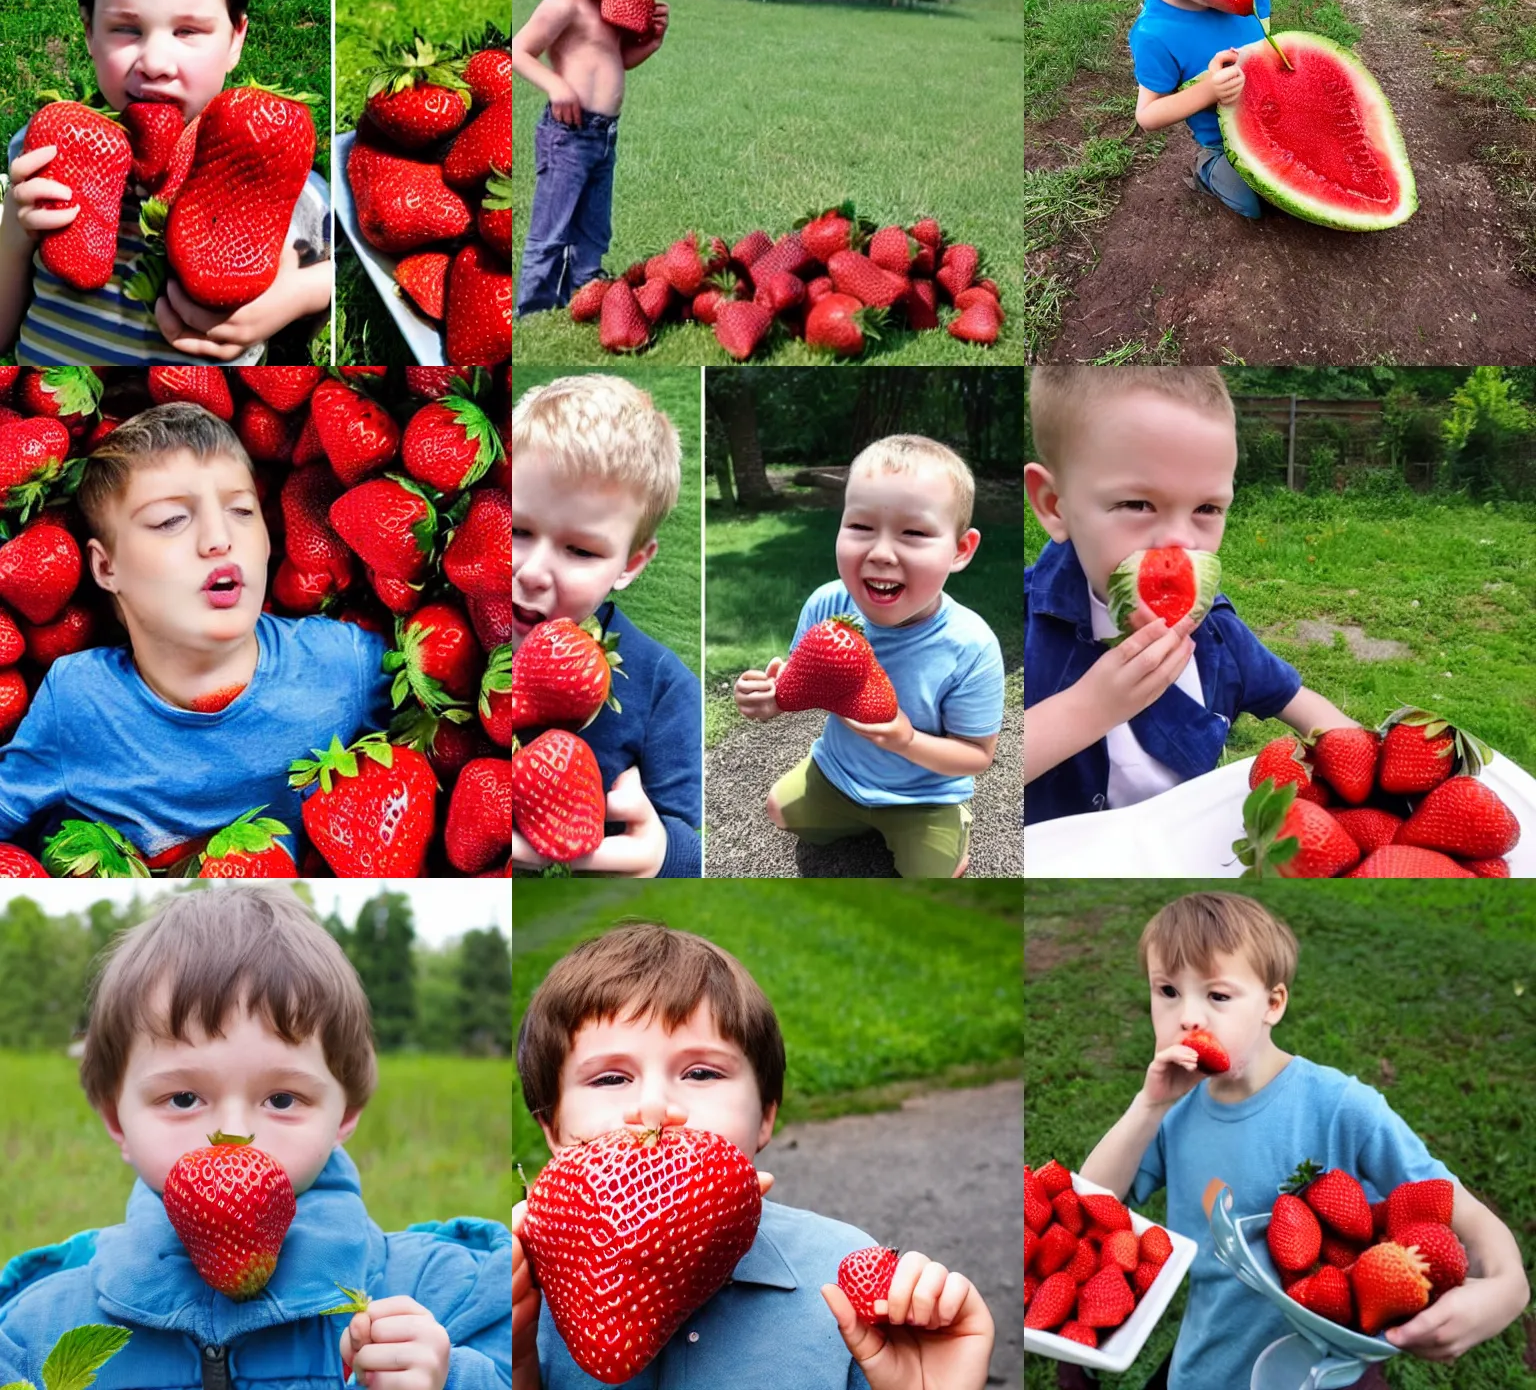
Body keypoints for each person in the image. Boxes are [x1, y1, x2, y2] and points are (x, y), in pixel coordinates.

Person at [0, 883, 510, 1388]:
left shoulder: (436, 1295)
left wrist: (451, 1379)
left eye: (282, 1100)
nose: (234, 1136)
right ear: (118, 1121)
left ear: (345, 1112)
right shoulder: (39, 1328)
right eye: (182, 1099)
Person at [1058, 890, 1530, 1389]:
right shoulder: (1172, 1115)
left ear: (1273, 1004)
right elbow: (1089, 1207)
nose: (1188, 1017)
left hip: (1329, 1376)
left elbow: (1463, 1213)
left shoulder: (1341, 1107)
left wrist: (1507, 1290)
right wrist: (1149, 1105)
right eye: (1168, 991)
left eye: (1218, 996)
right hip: (1204, 1371)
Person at [513, 920, 996, 1390]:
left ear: (765, 1116)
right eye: (611, 1078)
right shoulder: (524, 1292)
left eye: (701, 1073)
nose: (655, 1107)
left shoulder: (848, 1281)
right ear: (552, 1128)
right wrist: (516, 1363)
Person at [0, 403, 388, 865]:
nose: (218, 537)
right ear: (107, 567)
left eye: (241, 511)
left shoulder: (344, 662)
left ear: (268, 537)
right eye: (170, 520)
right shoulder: (78, 699)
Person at [1024, 361, 1356, 824]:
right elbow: (973, 768)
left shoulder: (1217, 634)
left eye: (1207, 508)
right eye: (1138, 504)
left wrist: (1372, 767)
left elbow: (1305, 706)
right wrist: (1088, 709)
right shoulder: (1012, 631)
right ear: (1053, 505)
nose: (1180, 540)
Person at [0, 0, 332, 365]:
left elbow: (337, 277)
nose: (155, 62)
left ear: (235, 39)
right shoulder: (44, 154)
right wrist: (14, 237)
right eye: (125, 29)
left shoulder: (271, 171)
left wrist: (300, 294)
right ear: (88, 33)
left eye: (188, 31)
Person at [734, 435, 1005, 879]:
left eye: (914, 533)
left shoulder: (971, 646)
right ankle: (849, 806)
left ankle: (950, 828)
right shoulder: (826, 604)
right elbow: (797, 686)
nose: (880, 553)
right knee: (778, 810)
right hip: (839, 772)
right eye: (860, 527)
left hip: (925, 795)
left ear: (960, 550)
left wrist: (905, 740)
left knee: (932, 877)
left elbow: (977, 755)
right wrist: (769, 698)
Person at [510, 373, 700, 877]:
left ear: (630, 564)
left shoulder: (664, 686)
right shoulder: (461, 626)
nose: (530, 571)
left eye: (580, 550)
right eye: (517, 530)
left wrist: (658, 853)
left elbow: (692, 844)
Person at [511, 0, 669, 315]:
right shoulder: (563, 4)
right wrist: (556, 86)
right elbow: (519, 51)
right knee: (552, 229)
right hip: (568, 136)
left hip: (604, 137)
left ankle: (585, 295)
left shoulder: (608, 6)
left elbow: (616, 62)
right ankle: (534, 308)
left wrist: (650, 43)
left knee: (594, 228)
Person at [1094, 0, 1275, 219]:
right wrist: (1210, 90)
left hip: (1268, 114)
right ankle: (1206, 170)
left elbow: (1265, 46)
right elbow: (1147, 116)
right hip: (1224, 144)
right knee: (1253, 204)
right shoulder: (1154, 36)